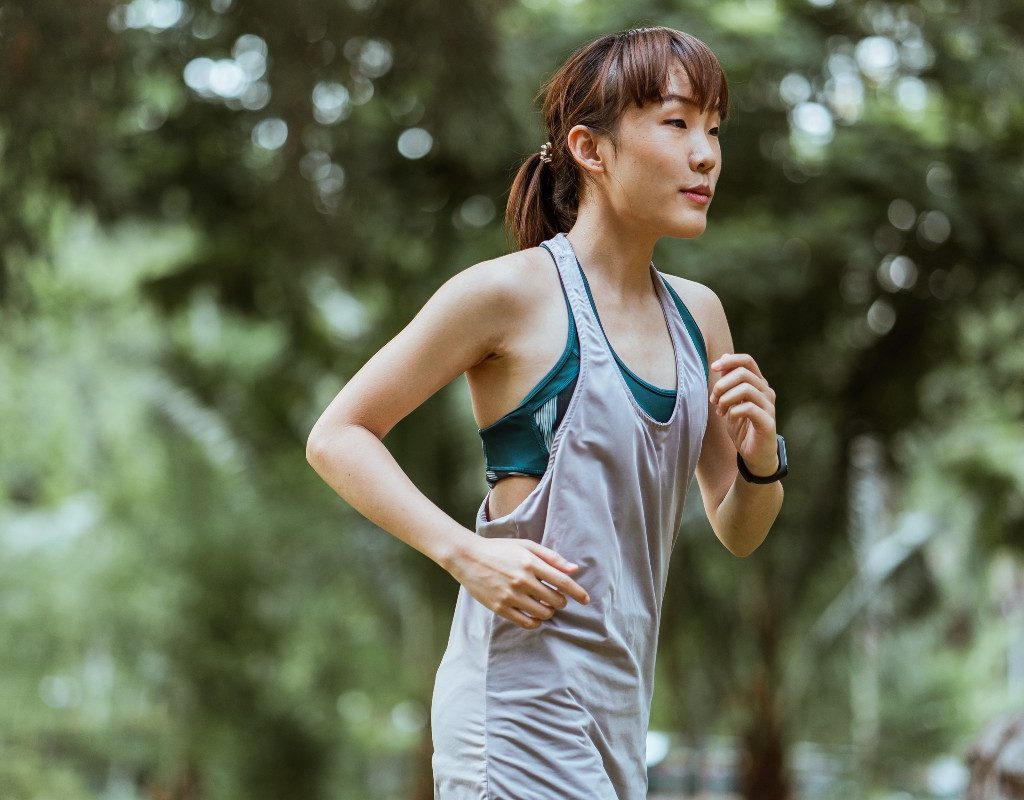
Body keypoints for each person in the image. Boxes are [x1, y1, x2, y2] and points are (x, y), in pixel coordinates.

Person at [305, 25, 787, 800]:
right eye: (676, 123)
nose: (706, 154)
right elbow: (337, 436)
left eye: (714, 129)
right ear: (591, 151)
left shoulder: (701, 317)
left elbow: (739, 528)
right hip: (515, 701)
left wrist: (763, 452)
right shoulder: (508, 294)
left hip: (620, 713)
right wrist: (465, 553)